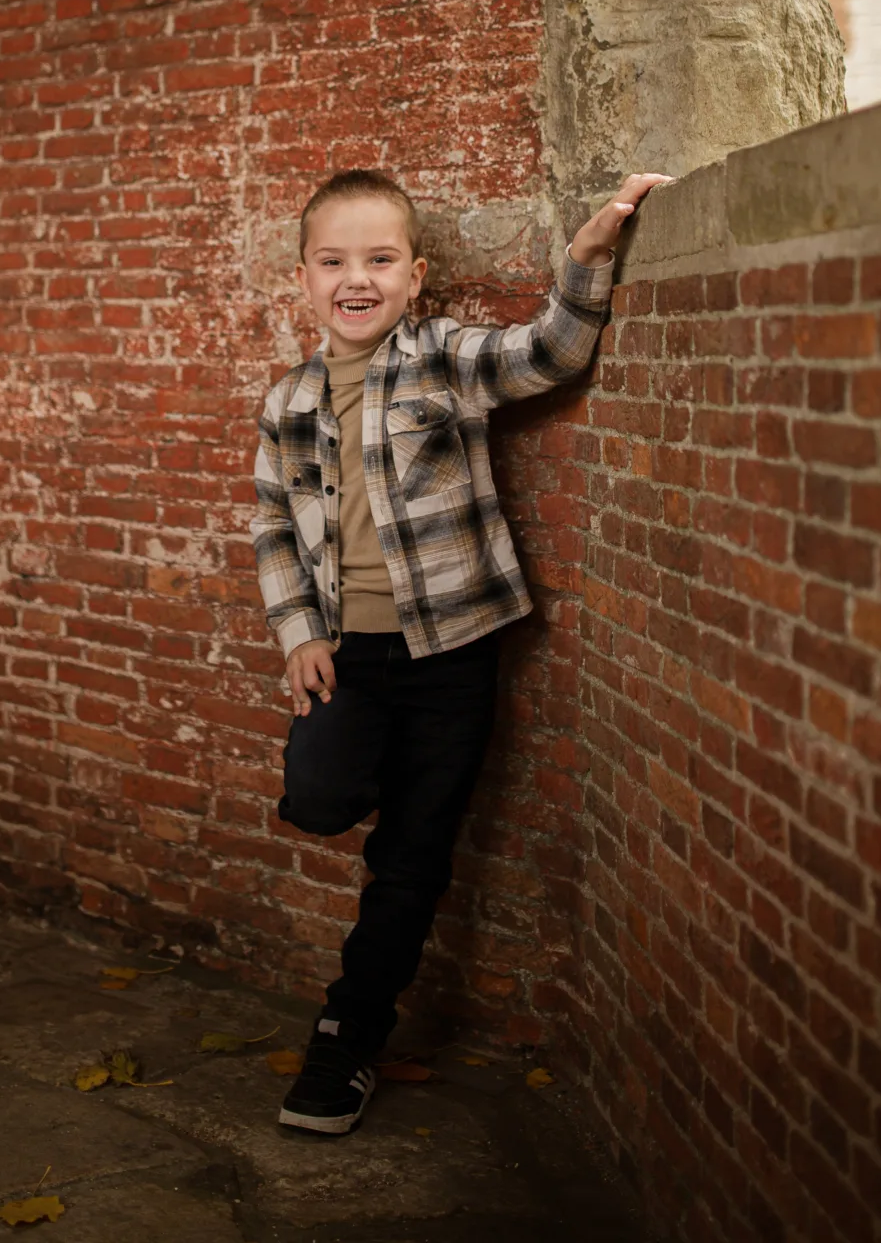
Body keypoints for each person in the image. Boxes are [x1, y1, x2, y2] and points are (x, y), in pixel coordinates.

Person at [250, 167, 669, 1135]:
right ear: (304, 279)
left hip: (452, 655)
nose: (356, 279)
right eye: (333, 262)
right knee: (317, 795)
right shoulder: (287, 402)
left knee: (412, 859)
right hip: (349, 655)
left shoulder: (441, 360)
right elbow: (272, 526)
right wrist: (297, 631)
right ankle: (375, 772)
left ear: (415, 276)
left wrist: (586, 256)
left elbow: (549, 353)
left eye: (379, 259)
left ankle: (345, 1039)